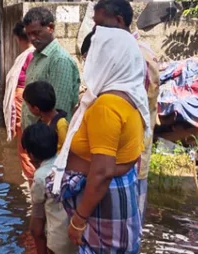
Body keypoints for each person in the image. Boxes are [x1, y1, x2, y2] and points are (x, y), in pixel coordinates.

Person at [50, 26, 150, 254]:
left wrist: (78, 220)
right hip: (115, 202)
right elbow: (129, 157)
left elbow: (102, 172)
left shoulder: (105, 107)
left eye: (91, 57)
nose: (87, 65)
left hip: (101, 207)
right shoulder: (131, 96)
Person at [92, 0, 160, 223]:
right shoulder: (126, 52)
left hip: (126, 158)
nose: (97, 32)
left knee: (126, 221)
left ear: (119, 21)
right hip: (113, 156)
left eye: (101, 25)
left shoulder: (136, 57)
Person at [21, 122, 78, 254]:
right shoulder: (67, 162)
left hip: (58, 240)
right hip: (79, 235)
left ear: (31, 155)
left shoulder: (41, 176)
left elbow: (37, 227)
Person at [22, 7, 80, 131]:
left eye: (36, 33)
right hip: (34, 138)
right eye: (28, 34)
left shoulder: (59, 60)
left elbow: (59, 111)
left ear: (50, 28)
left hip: (49, 142)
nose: (32, 39)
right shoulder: (36, 57)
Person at [3, 22, 36, 183]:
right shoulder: (32, 54)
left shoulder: (30, 55)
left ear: (18, 39)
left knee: (24, 144)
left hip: (23, 101)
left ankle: (32, 181)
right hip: (25, 101)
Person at [23, 81, 69, 152]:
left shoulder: (61, 125)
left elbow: (65, 151)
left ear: (36, 109)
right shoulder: (42, 121)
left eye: (28, 105)